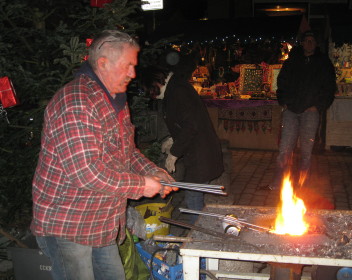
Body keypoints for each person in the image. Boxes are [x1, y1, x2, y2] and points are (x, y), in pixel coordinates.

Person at [31, 30, 177, 280]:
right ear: (102, 63)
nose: (133, 74)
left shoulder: (115, 100)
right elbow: (86, 173)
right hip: (69, 224)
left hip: (101, 223)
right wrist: (142, 185)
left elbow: (127, 152)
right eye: (128, 66)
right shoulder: (77, 102)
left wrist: (152, 172)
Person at [141, 53, 224, 223]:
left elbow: (191, 125)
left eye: (151, 91)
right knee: (194, 196)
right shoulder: (173, 89)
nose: (152, 96)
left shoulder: (177, 91)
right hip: (199, 152)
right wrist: (173, 139)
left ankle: (197, 236)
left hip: (202, 153)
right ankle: (201, 231)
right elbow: (184, 121)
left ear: (157, 82)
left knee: (193, 198)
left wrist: (174, 153)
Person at [268, 30, 337, 190]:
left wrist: (318, 106)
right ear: (302, 43)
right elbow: (282, 81)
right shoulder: (292, 61)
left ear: (316, 43)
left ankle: (303, 183)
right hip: (291, 109)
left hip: (310, 111)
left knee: (306, 151)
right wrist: (283, 101)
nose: (309, 43)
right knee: (284, 149)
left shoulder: (323, 62)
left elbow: (329, 87)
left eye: (312, 40)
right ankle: (279, 182)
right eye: (307, 40)